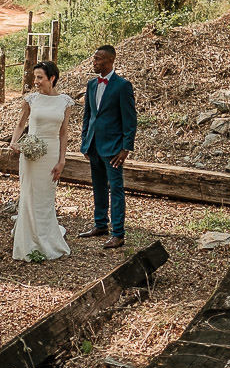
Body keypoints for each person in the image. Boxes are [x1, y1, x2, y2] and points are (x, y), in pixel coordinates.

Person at [8, 61, 73, 261]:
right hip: (31, 153)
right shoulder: (31, 99)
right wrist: (14, 142)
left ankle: (46, 237)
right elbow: (21, 124)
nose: (35, 82)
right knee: (29, 194)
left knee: (45, 196)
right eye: (34, 77)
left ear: (52, 78)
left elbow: (63, 134)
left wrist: (62, 160)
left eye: (40, 77)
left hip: (51, 153)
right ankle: (27, 239)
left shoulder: (65, 102)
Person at [78, 45, 136, 249]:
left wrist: (125, 149)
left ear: (110, 60)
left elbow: (130, 120)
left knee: (116, 189)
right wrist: (85, 140)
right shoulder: (92, 85)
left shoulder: (122, 86)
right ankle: (100, 224)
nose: (94, 62)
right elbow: (88, 116)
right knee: (98, 187)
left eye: (98, 59)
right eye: (94, 58)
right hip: (93, 146)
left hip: (113, 149)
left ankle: (118, 234)